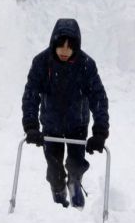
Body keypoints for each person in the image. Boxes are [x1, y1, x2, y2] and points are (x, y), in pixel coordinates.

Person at [21, 19, 109, 208]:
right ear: (54, 43)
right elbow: (31, 94)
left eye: (69, 47)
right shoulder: (41, 63)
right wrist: (31, 126)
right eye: (61, 45)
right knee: (54, 169)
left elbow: (98, 97)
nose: (64, 51)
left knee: (76, 164)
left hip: (77, 124)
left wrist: (100, 131)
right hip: (51, 125)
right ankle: (59, 191)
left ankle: (74, 183)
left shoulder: (86, 65)